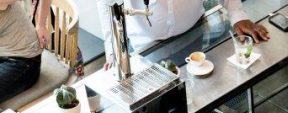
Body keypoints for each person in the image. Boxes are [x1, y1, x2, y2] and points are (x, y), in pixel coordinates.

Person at [96, 0, 269, 68]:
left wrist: (237, 13)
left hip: (194, 33)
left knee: (200, 95)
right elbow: (106, 3)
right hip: (146, 48)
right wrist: (113, 49)